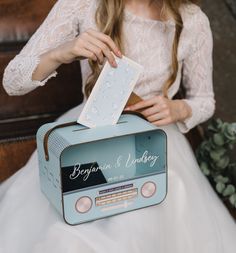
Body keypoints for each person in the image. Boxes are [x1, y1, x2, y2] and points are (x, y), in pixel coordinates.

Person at [1, 0, 236, 252]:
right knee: (69, 232)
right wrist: (62, 52)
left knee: (138, 221)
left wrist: (179, 108)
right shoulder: (81, 4)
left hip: (154, 141)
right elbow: (13, 81)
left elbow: (205, 101)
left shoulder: (193, 19)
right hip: (91, 134)